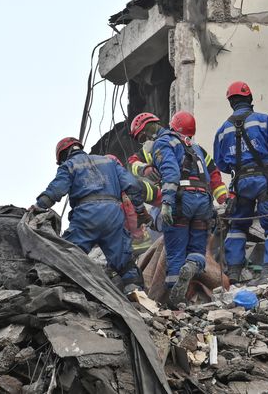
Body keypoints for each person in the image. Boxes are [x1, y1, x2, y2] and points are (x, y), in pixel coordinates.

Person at [30, 137, 149, 294]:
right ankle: (138, 297)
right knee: (124, 261)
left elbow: (56, 190)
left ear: (63, 155)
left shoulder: (69, 165)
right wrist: (139, 208)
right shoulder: (109, 162)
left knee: (68, 256)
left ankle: (62, 293)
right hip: (113, 215)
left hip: (86, 217)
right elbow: (132, 184)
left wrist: (38, 207)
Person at [214, 81, 268, 282]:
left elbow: (221, 164)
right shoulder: (263, 121)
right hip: (265, 181)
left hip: (239, 185)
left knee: (237, 226)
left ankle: (234, 271)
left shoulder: (222, 131)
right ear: (250, 99)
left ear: (231, 103)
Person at [129, 112, 214, 306]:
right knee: (197, 250)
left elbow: (170, 172)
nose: (145, 141)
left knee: (175, 253)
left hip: (181, 200)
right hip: (203, 200)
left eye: (143, 136)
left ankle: (177, 303)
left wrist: (167, 202)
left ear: (149, 128)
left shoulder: (163, 142)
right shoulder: (194, 146)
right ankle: (192, 266)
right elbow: (208, 176)